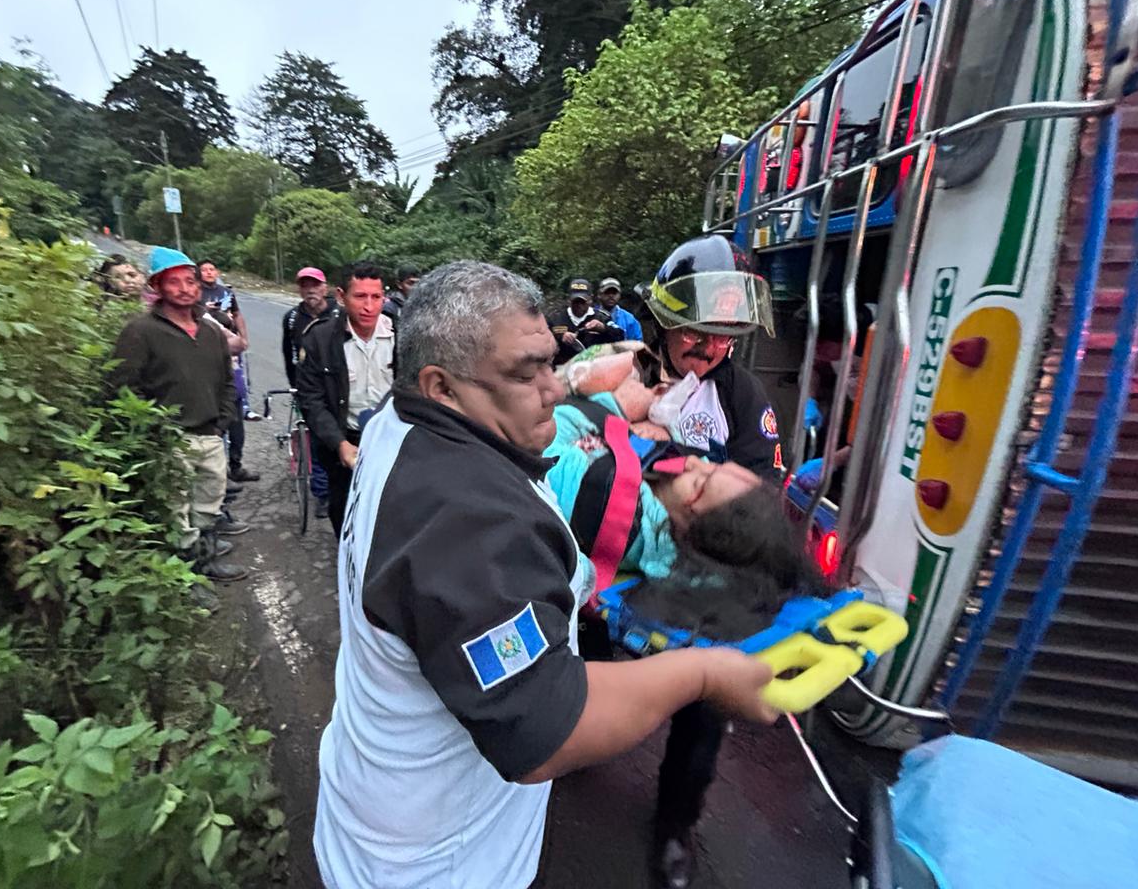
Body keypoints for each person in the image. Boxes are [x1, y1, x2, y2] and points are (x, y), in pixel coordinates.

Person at [312, 260, 777, 889]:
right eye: (527, 372)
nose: (556, 390)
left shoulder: (399, 421)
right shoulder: (472, 524)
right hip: (438, 860)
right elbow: (545, 726)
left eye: (549, 363)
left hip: (398, 804)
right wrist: (703, 674)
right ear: (442, 385)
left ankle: (675, 824)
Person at [545, 387, 824, 887]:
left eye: (704, 474)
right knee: (586, 659)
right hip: (615, 580)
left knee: (705, 705)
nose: (692, 461)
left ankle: (676, 823)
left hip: (686, 579)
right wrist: (632, 435)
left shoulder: (744, 401)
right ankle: (574, 739)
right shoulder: (666, 470)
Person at [109, 246, 245, 581]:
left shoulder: (211, 331)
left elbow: (227, 381)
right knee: (176, 513)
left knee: (209, 504)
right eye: (174, 282)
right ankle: (186, 579)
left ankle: (206, 562)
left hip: (210, 435)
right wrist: (158, 430)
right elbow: (121, 387)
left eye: (191, 281)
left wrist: (221, 422)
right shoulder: (140, 331)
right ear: (156, 286)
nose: (185, 288)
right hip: (171, 441)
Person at [645, 233, 783, 476]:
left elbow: (761, 483)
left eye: (722, 338)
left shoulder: (741, 394)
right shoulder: (627, 375)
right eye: (694, 334)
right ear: (662, 325)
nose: (708, 351)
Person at [296, 261, 394, 538]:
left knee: (389, 507)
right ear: (341, 296)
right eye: (360, 296)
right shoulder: (319, 339)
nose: (369, 306)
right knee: (343, 509)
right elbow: (311, 400)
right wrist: (339, 444)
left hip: (389, 439)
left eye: (376, 297)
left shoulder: (400, 335)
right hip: (344, 441)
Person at [282, 266, 341, 514]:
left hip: (338, 385)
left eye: (315, 285)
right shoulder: (292, 318)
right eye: (305, 286)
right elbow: (289, 354)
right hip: (308, 386)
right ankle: (322, 493)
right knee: (316, 440)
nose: (310, 290)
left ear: (324, 287)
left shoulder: (340, 314)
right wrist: (294, 384)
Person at [197, 260, 258, 482]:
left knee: (235, 408)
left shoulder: (226, 292)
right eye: (204, 270)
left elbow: (237, 314)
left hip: (231, 354)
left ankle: (236, 465)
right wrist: (205, 310)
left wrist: (244, 337)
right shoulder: (196, 293)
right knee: (216, 415)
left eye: (212, 269)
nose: (209, 273)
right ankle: (217, 473)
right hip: (206, 356)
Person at [547, 277, 625, 365]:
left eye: (582, 302)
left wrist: (602, 328)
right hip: (563, 369)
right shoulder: (556, 317)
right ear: (569, 300)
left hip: (594, 369)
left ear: (590, 299)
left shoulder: (602, 317)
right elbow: (544, 337)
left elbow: (620, 335)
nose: (579, 305)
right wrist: (560, 336)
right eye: (576, 301)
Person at [596, 276, 644, 341]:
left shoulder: (629, 319)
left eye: (614, 293)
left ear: (619, 295)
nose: (611, 296)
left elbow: (637, 343)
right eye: (607, 292)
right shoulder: (591, 315)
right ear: (599, 295)